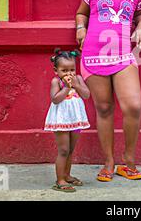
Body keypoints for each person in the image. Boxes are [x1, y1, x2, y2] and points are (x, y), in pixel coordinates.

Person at [75, 0, 141, 182]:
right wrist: (80, 28)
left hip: (123, 55)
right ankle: (108, 161)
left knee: (134, 105)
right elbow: (82, 13)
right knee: (105, 108)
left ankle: (128, 160)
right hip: (94, 54)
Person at [44, 48, 91, 192]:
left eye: (72, 69)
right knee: (63, 150)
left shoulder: (78, 79)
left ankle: (67, 175)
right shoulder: (56, 82)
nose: (69, 73)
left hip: (75, 118)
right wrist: (66, 88)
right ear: (56, 70)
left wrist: (76, 85)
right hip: (61, 119)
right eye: (64, 70)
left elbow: (87, 95)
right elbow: (55, 99)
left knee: (70, 149)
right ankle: (60, 180)